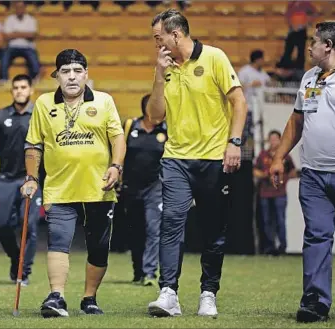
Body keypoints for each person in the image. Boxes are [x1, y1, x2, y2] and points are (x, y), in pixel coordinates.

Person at [146, 9, 247, 317]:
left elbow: (239, 102)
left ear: (175, 35)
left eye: (158, 38)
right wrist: (158, 74)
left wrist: (235, 142)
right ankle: (169, 293)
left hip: (214, 159)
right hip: (176, 158)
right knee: (172, 221)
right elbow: (154, 116)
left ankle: (208, 293)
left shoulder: (215, 57)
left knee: (213, 228)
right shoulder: (164, 67)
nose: (156, 44)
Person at [20, 49, 126, 317]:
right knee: (58, 240)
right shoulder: (44, 103)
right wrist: (32, 177)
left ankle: (89, 298)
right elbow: (34, 144)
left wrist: (116, 166)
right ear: (56, 76)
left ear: (86, 75)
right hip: (59, 188)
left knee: (99, 247)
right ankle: (56, 297)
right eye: (65, 71)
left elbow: (117, 138)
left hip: (99, 188)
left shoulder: (104, 101)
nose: (72, 77)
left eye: (78, 71)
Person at [270, 21, 335, 323]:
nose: (309, 47)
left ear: (328, 46)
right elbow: (296, 122)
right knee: (316, 236)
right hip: (313, 176)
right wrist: (279, 157)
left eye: (313, 42)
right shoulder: (308, 77)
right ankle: (315, 303)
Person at [0, 74, 41, 286]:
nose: (20, 91)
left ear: (31, 89)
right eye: (16, 87)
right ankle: (16, 259)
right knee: (1, 223)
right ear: (11, 91)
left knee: (29, 225)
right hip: (5, 178)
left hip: (30, 179)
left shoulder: (39, 115)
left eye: (24, 87)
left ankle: (24, 272)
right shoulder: (0, 115)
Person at [121, 94, 166, 286]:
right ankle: (138, 270)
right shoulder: (130, 126)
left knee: (153, 229)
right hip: (130, 187)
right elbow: (119, 153)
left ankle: (149, 273)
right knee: (134, 230)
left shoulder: (166, 131)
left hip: (155, 187)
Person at [254, 130, 297, 255]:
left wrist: (284, 177)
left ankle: (282, 247)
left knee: (280, 220)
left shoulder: (286, 156)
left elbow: (293, 172)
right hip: (265, 192)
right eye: (271, 139)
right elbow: (255, 171)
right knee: (267, 221)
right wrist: (266, 174)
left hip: (280, 193)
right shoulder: (263, 155)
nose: (273, 142)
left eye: (276, 139)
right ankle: (269, 248)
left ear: (280, 140)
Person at [0, 1, 41, 81]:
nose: (19, 9)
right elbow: (7, 36)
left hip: (27, 47)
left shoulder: (31, 19)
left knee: (33, 58)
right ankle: (4, 79)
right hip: (12, 47)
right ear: (15, 8)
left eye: (21, 7)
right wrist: (25, 33)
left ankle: (34, 79)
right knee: (4, 58)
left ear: (25, 8)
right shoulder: (9, 19)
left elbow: (32, 35)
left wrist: (15, 33)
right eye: (17, 7)